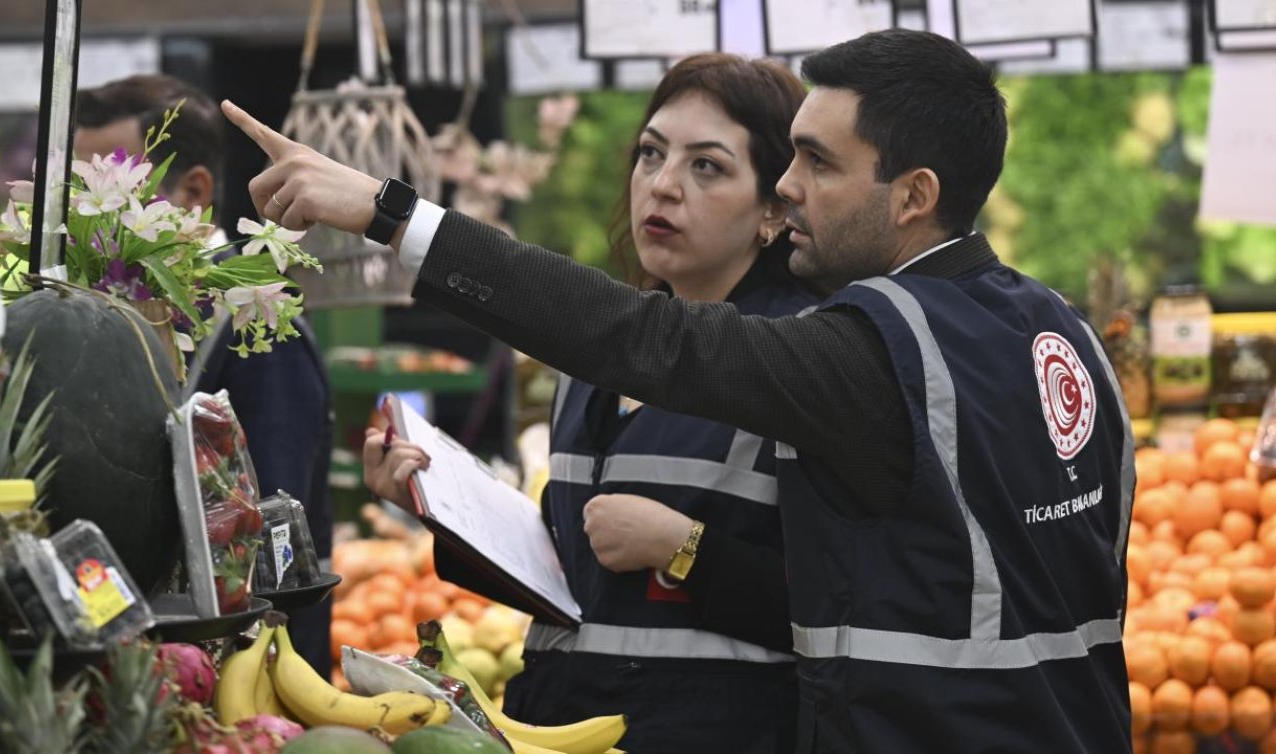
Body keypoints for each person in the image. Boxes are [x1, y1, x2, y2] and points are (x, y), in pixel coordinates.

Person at [226, 28, 1134, 753]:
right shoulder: (1062, 332)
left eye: (817, 163)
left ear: (913, 196)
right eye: (653, 155)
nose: (789, 185)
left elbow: (634, 336)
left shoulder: (870, 346)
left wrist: (391, 212)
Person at [364, 54, 818, 753]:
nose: (662, 186)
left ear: (772, 209)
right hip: (557, 723)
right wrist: (435, 506)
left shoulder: (796, 358)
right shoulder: (592, 359)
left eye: (708, 166)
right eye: (651, 154)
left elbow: (850, 600)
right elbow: (572, 575)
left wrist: (685, 549)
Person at [75, 74, 337, 678]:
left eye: (115, 190)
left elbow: (270, 538)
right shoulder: (114, 317)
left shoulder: (255, 322)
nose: (83, 215)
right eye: (78, 190)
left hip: (248, 678)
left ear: (193, 191)